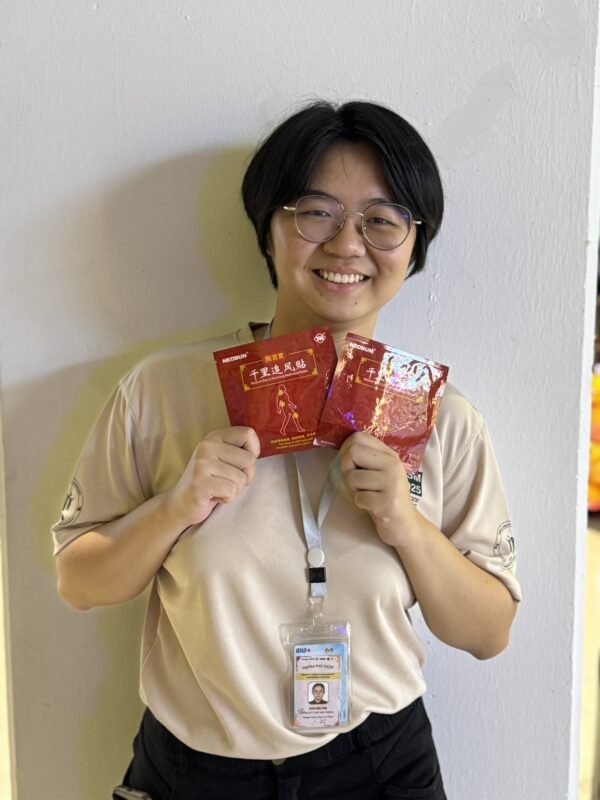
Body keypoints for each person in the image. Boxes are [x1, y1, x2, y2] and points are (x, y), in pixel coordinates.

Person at [53, 100, 521, 800]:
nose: (347, 244)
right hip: (193, 769)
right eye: (316, 212)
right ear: (268, 229)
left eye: (382, 219)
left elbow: (489, 633)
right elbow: (80, 583)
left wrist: (406, 525)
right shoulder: (161, 392)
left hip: (380, 766)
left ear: (413, 244)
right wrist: (176, 507)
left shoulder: (441, 417)